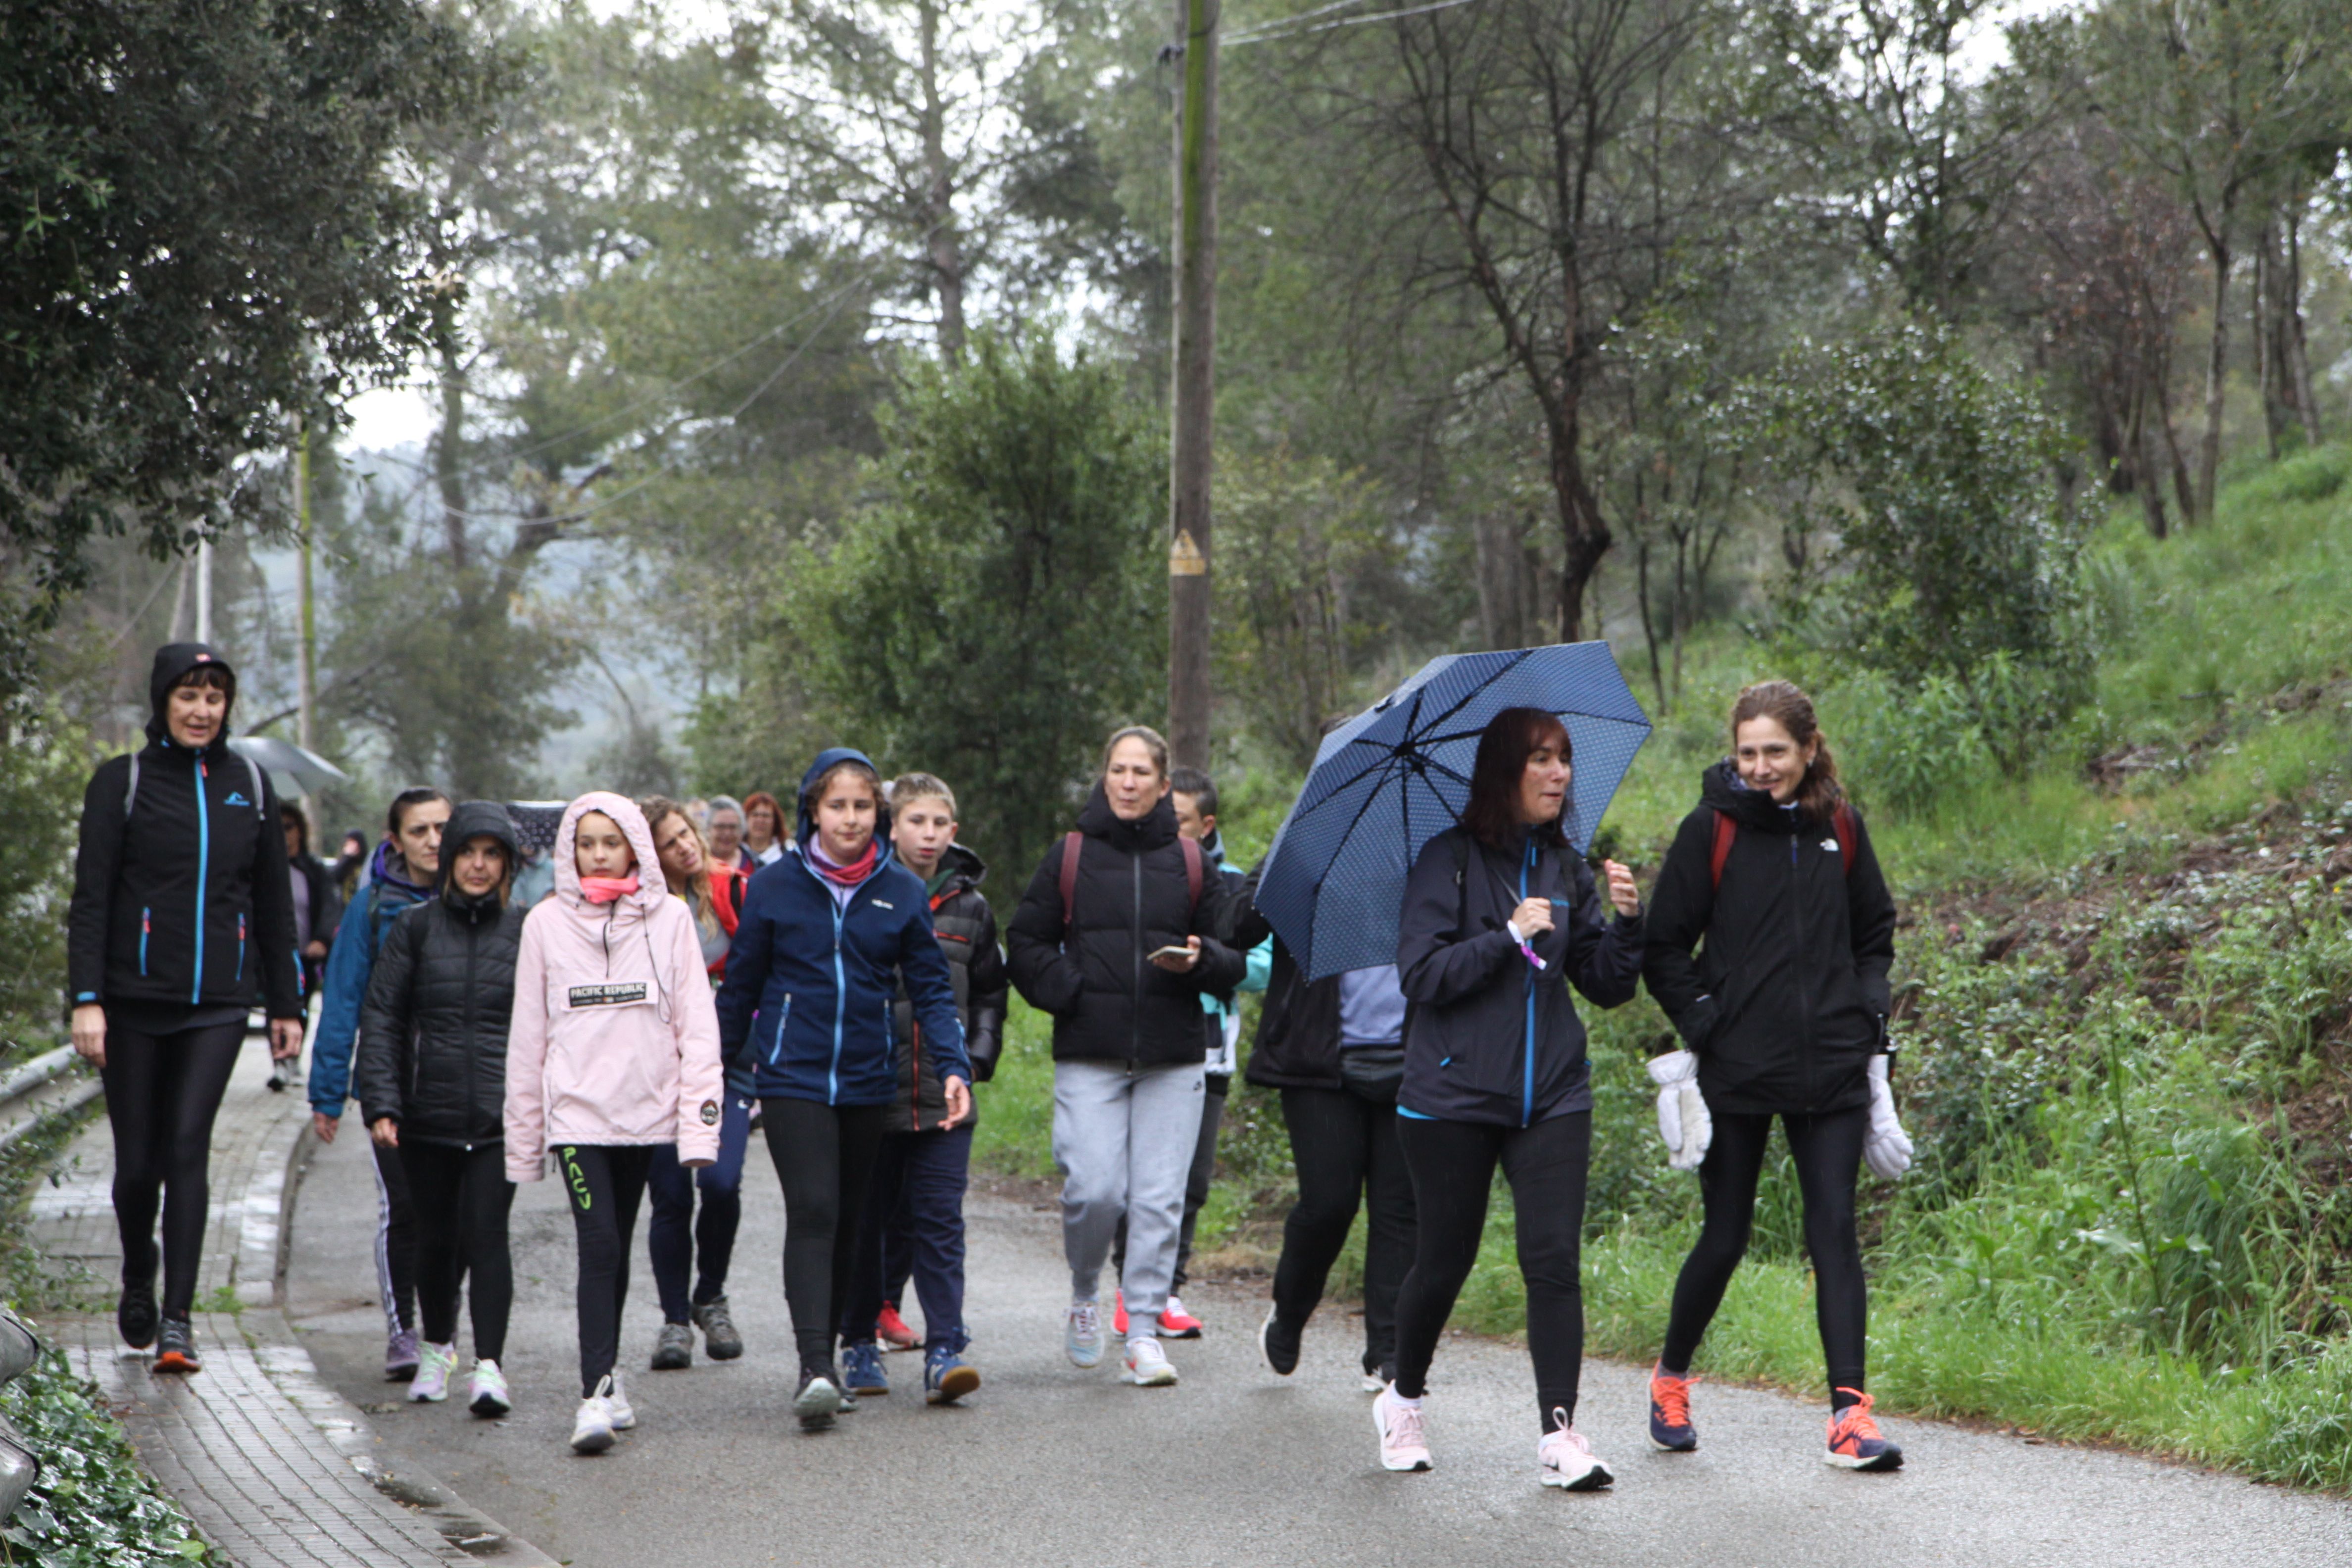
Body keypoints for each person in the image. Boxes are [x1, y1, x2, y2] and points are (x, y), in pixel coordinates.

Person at [1639, 679, 1909, 1472]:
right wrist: (1709, 1023)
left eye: (1776, 752)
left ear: (1810, 749)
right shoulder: (1712, 829)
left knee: (1834, 1234)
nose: (1760, 767)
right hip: (1739, 1069)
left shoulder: (1840, 826)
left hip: (1832, 1066)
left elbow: (1875, 932)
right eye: (1748, 752)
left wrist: (1867, 1016)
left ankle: (1850, 1418)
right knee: (1725, 1235)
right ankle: (1670, 1379)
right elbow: (1663, 947)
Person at [1374, 706, 1644, 1489]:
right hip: (1450, 1096)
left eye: (1564, 758)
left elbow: (1604, 984)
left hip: (1552, 1093)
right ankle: (1402, 1398)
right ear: (1505, 772)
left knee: (1552, 1260)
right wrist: (1508, 938)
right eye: (1541, 759)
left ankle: (1561, 1435)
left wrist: (1629, 926)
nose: (1560, 774)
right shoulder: (1447, 861)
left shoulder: (1566, 867)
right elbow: (1420, 975)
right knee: (1444, 1260)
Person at [66, 643, 306, 1373]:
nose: (202, 711)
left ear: (228, 706)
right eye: (189, 696)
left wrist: (287, 1005)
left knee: (187, 1148)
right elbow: (92, 899)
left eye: (215, 697)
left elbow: (272, 903)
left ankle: (178, 1321)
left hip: (219, 1004)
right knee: (138, 1166)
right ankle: (140, 1269)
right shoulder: (123, 782)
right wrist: (86, 1000)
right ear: (164, 700)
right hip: (132, 1001)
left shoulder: (249, 785)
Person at [716, 749, 972, 1429]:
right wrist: (709, 1073)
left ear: (876, 813)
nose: (851, 819)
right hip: (792, 1075)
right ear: (813, 810)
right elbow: (741, 987)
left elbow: (932, 990)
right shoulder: (774, 886)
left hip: (867, 1078)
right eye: (838, 806)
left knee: (851, 1222)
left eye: (862, 806)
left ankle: (827, 1359)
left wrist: (953, 1067)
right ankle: (815, 1369)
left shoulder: (901, 891)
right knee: (815, 1209)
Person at [1005, 726, 1243, 1389]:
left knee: (1160, 1201)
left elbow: (1232, 955)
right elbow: (1025, 942)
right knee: (1095, 1189)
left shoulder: (1192, 862)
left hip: (1174, 1057)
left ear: (1164, 786)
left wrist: (1202, 960)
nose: (1129, 782)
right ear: (1105, 776)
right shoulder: (1071, 855)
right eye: (1118, 770)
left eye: (1141, 772)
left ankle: (1141, 1332)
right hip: (1091, 1053)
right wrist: (1071, 991)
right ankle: (1086, 1291)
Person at [505, 793, 724, 1455]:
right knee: (599, 1242)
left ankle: (610, 1379)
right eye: (586, 843)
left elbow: (698, 1028)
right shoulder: (544, 924)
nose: (598, 854)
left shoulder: (672, 919)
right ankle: (594, 1395)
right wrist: (525, 1142)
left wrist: (698, 1129)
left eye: (611, 842)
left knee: (618, 1243)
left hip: (647, 1116)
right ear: (569, 851)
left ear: (635, 847)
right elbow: (528, 1037)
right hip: (577, 1119)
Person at [837, 773, 1006, 1405]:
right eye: (916, 821)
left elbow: (990, 992)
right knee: (868, 1222)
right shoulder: (863, 894)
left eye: (939, 824)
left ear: (953, 831)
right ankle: (858, 1340)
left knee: (940, 1221)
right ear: (891, 827)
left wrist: (977, 1058)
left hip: (945, 1091)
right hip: (872, 1088)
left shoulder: (972, 907)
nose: (928, 834)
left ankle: (945, 1350)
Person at [353, 802, 524, 1420]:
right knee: (435, 1239)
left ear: (507, 864)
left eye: (492, 854)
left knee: (488, 1235)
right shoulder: (415, 928)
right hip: (427, 1115)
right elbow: (383, 1018)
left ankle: (490, 1367)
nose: (479, 866)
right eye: (468, 853)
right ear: (449, 859)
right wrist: (383, 1101)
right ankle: (438, 1348)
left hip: (502, 1120)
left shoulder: (529, 931)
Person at [1109, 766, 1268, 1339]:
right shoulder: (1133, 873)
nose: (1167, 829)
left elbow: (1263, 967)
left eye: (1178, 821)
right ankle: (1131, 1291)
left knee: (1191, 1181)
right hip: (1146, 1045)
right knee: (1141, 1177)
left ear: (1206, 825)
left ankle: (1168, 1292)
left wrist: (1204, 964)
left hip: (1210, 1053)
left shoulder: (1235, 884)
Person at [310, 785, 451, 1380]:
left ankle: (444, 1328)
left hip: (461, 1081)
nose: (434, 841)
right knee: (405, 1206)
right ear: (396, 841)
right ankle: (403, 1331)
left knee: (455, 1214)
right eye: (420, 831)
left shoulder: (478, 899)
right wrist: (327, 1092)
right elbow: (343, 999)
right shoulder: (370, 907)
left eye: (443, 828)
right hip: (389, 1079)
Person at [638, 797, 751, 1370]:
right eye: (669, 842)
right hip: (661, 1068)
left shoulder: (731, 889)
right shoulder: (639, 909)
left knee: (722, 1183)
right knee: (672, 1195)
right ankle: (675, 1320)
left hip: (728, 1064)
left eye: (686, 833)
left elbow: (759, 970)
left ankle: (710, 1294)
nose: (684, 846)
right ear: (649, 855)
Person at [281, 802, 343, 1001]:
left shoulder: (314, 870)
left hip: (306, 957)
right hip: (272, 958)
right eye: (277, 827)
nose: (283, 833)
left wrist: (322, 940)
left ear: (300, 830)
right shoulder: (264, 869)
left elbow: (330, 906)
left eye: (288, 827)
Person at [705, 795, 747, 876]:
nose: (727, 833)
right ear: (708, 828)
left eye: (733, 827)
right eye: (721, 827)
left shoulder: (755, 865)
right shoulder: (698, 866)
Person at [741, 791, 786, 867]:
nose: (760, 820)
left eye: (766, 816)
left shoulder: (785, 855)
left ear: (775, 821)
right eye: (755, 815)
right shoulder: (736, 854)